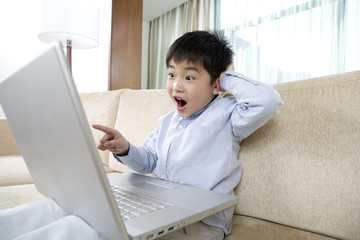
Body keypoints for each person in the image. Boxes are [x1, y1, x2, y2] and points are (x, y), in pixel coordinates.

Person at [93, 31, 283, 240]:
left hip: (202, 221)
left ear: (215, 84)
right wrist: (126, 148)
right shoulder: (167, 121)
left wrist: (224, 76)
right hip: (161, 208)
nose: (176, 86)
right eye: (172, 74)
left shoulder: (228, 115)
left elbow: (267, 101)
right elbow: (147, 162)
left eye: (189, 77)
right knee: (100, 224)